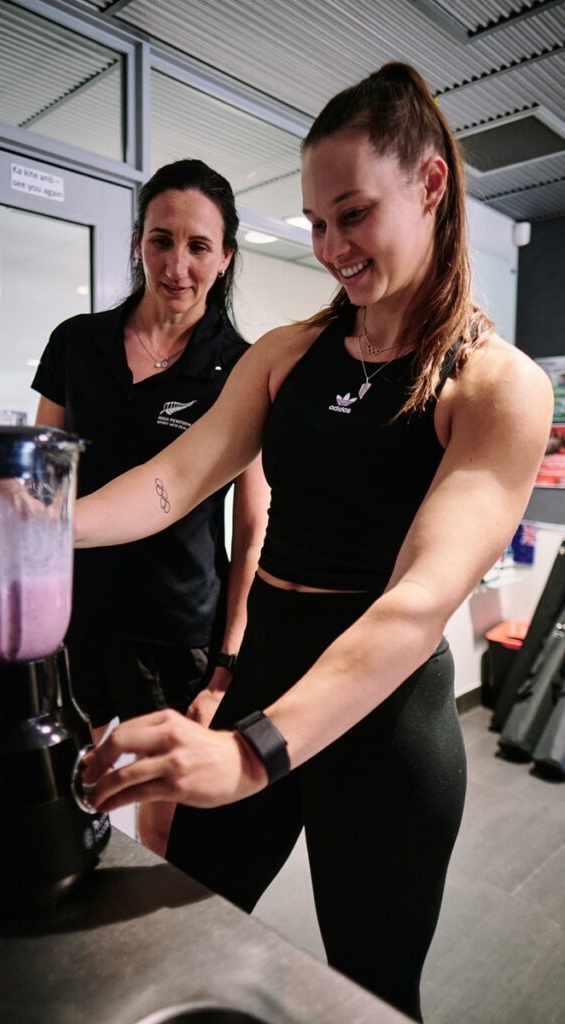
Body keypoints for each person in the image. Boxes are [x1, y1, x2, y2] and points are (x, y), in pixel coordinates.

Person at [75, 64, 552, 1021]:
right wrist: (41, 528)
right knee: (187, 932)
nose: (331, 246)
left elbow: (418, 601)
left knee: (371, 994)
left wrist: (248, 755)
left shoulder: (495, 386)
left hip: (384, 725)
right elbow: (174, 480)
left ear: (428, 186)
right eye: (314, 222)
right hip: (267, 676)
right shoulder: (287, 353)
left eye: (352, 214)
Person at [32, 159, 269, 856]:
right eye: (161, 240)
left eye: (198, 246)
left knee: (162, 819)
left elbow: (253, 528)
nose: (176, 264)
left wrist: (226, 663)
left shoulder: (241, 367)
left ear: (224, 258)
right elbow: (41, 485)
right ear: (138, 242)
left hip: (176, 632)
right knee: (65, 781)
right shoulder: (77, 343)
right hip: (71, 618)